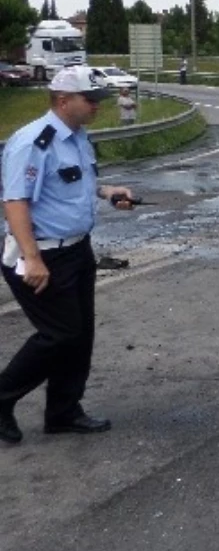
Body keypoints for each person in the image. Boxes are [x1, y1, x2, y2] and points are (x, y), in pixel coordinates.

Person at [0, 66, 136, 444]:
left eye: (98, 100)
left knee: (80, 337)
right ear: (63, 100)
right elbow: (14, 203)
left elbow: (74, 184)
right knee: (59, 335)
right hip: (41, 254)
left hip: (77, 250)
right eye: (89, 100)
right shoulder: (33, 142)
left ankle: (63, 411)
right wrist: (34, 259)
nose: (96, 106)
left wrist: (108, 192)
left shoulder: (77, 137)